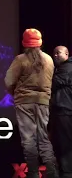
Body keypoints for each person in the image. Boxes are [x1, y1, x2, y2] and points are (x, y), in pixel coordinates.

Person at [4, 28, 59, 178]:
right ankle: (53, 172)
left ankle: (33, 174)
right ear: (40, 43)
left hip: (24, 103)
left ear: (25, 43)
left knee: (28, 139)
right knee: (43, 137)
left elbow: (9, 81)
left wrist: (15, 94)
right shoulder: (49, 59)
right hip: (43, 102)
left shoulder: (20, 59)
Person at [49, 46, 72, 178]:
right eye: (54, 53)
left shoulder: (67, 68)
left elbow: (51, 83)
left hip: (65, 112)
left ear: (67, 54)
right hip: (62, 112)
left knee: (64, 148)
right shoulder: (62, 68)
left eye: (58, 53)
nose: (55, 56)